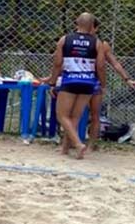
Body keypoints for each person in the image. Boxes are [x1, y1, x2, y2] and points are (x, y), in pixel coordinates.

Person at [43, 12, 106, 159]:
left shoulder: (65, 40)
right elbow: (101, 66)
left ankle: (78, 144)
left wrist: (52, 81)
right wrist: (102, 83)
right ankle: (65, 149)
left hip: (70, 81)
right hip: (88, 82)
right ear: (92, 26)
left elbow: (58, 63)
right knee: (75, 117)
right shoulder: (97, 42)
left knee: (62, 115)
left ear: (76, 23)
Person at [88, 19, 135, 150]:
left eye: (90, 28)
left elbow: (114, 63)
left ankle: (92, 144)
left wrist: (127, 79)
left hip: (93, 82)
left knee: (95, 114)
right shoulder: (72, 41)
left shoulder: (101, 44)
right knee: (73, 113)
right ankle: (73, 141)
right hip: (76, 80)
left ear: (96, 29)